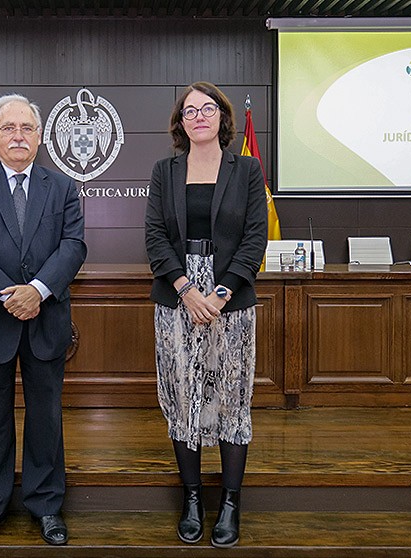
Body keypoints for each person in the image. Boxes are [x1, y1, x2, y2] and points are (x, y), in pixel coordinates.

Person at [0, 94, 87, 548]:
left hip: (46, 320)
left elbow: (73, 247)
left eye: (27, 128)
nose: (18, 136)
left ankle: (46, 506)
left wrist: (38, 291)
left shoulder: (63, 187)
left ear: (41, 137)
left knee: (45, 417)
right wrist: (12, 295)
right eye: (8, 128)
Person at [144, 82, 267, 548]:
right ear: (180, 121)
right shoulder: (164, 170)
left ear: (222, 117)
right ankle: (192, 498)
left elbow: (255, 237)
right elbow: (155, 236)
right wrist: (185, 289)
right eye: (189, 110)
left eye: (207, 108)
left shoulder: (248, 170)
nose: (198, 116)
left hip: (229, 297)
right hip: (176, 296)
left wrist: (218, 293)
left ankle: (231, 503)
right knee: (183, 397)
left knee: (232, 399)